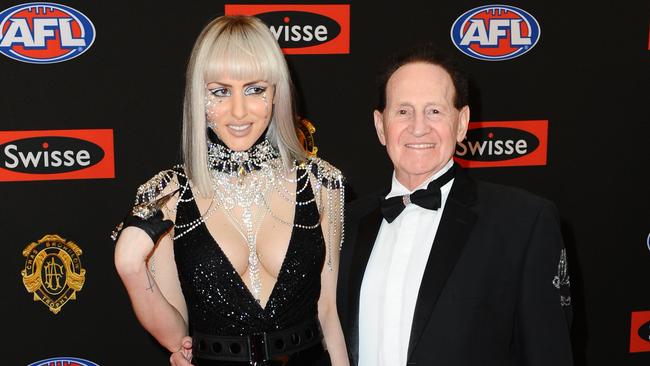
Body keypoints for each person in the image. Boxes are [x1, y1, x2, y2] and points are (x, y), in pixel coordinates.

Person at [113, 15, 349, 366]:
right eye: (220, 92)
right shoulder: (166, 195)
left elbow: (328, 313)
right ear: (199, 97)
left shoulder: (322, 183)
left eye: (255, 89)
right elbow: (178, 342)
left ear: (275, 93)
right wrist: (130, 267)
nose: (239, 110)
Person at [336, 43, 573, 365]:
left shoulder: (522, 222)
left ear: (461, 123)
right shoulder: (344, 223)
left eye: (434, 111)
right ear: (381, 126)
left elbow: (548, 354)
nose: (418, 127)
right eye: (403, 111)